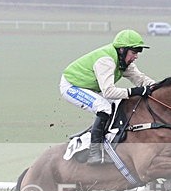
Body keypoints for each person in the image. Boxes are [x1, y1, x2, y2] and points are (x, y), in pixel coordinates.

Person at [60, 29, 156, 165]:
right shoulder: (106, 61)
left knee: (119, 104)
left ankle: (101, 139)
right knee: (104, 107)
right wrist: (136, 91)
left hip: (89, 87)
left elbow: (140, 79)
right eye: (134, 52)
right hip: (71, 86)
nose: (136, 56)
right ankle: (94, 153)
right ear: (122, 50)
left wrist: (159, 88)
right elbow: (109, 92)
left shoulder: (123, 62)